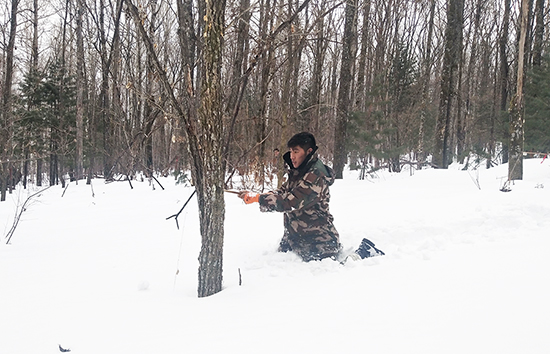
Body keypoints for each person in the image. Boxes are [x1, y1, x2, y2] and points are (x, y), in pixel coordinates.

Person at [238, 132, 342, 261]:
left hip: (320, 244)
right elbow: (283, 191)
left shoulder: (315, 176)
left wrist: (259, 198)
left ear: (308, 151)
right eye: (291, 151)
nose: (292, 156)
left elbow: (291, 202)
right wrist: (264, 195)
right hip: (295, 241)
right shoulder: (299, 171)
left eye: (296, 152)